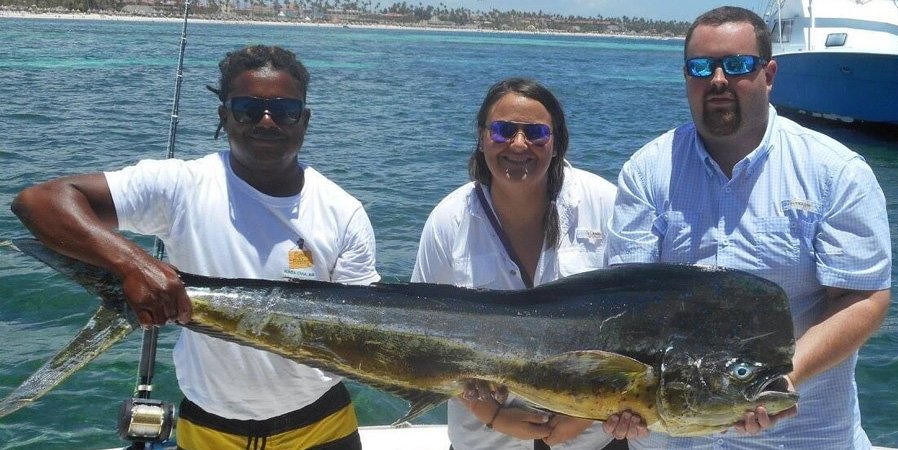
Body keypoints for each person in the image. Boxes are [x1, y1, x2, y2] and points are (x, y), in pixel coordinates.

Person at [11, 45, 378, 450]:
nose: (267, 121)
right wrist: (133, 265)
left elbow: (361, 333)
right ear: (224, 116)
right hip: (209, 430)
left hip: (321, 427)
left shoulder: (343, 211)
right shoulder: (181, 186)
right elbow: (38, 202)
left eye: (285, 109)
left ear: (304, 121)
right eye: (247, 108)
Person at [604, 6, 892, 450]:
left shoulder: (836, 172)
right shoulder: (647, 172)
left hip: (802, 435)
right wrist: (620, 398)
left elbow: (864, 297)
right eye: (700, 67)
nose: (717, 79)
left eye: (737, 65)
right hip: (674, 434)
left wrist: (776, 378)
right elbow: (627, 299)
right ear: (686, 78)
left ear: (769, 74)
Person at [411, 78, 625, 450]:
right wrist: (489, 414)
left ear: (556, 142)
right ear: (482, 138)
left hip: (593, 441)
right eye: (503, 130)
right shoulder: (449, 220)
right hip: (484, 441)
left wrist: (585, 414)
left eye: (537, 133)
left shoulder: (605, 205)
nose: (519, 144)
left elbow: (634, 328)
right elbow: (421, 338)